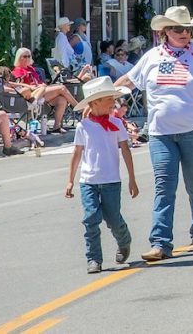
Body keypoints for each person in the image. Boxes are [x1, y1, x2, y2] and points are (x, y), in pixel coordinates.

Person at [114, 6, 193, 262]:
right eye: (178, 28)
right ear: (165, 31)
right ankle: (160, 243)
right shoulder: (152, 56)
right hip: (161, 133)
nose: (184, 33)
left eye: (188, 29)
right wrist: (104, 95)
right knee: (163, 187)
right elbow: (129, 80)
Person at [65, 77, 139, 274]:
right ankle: (94, 258)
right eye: (108, 99)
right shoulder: (84, 127)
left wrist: (132, 178)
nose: (112, 103)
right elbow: (77, 153)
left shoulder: (117, 123)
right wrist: (70, 181)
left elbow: (125, 150)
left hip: (111, 181)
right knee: (90, 218)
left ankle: (124, 241)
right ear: (94, 102)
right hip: (89, 181)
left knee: (113, 218)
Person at [12, 47, 78, 133]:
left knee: (62, 99)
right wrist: (35, 86)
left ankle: (56, 126)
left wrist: (41, 84)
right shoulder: (17, 71)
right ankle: (79, 108)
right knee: (62, 88)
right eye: (24, 56)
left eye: (29, 56)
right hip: (32, 95)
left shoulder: (31, 69)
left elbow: (39, 82)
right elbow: (20, 87)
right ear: (19, 58)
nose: (27, 58)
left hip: (42, 92)